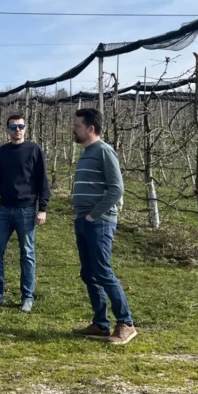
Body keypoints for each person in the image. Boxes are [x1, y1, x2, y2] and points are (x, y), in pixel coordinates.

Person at [70, 107, 137, 345]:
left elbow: (116, 188)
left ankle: (126, 323)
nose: (74, 130)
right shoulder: (86, 152)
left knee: (102, 271)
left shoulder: (104, 151)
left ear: (90, 128)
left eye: (77, 126)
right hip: (83, 219)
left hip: (99, 221)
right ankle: (100, 324)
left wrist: (94, 215)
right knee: (89, 273)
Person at [0, 114, 50, 313]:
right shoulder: (2, 152)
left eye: (21, 126)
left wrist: (42, 208)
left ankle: (27, 297)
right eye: (13, 127)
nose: (17, 130)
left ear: (25, 128)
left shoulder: (34, 150)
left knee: (27, 253)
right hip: (4, 209)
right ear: (7, 130)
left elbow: (42, 180)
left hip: (27, 209)